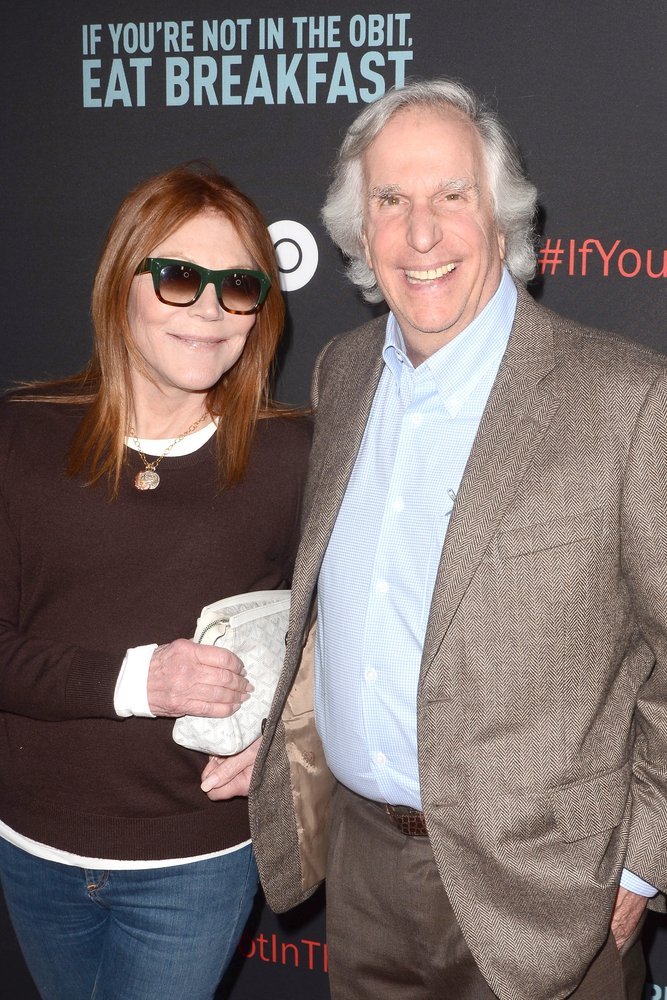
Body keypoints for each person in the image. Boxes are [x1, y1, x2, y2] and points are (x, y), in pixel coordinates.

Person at [205, 78, 667, 999]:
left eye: (451, 195)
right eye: (391, 201)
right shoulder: (342, 376)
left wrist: (639, 863)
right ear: (358, 233)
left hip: (545, 893)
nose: (422, 234)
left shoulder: (625, 400)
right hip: (363, 868)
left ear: (501, 219)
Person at [0, 162, 311, 1000]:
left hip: (198, 860)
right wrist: (145, 678)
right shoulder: (21, 438)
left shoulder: (294, 456)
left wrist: (288, 737)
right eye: (178, 277)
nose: (209, 311)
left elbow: (340, 634)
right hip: (31, 844)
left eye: (237, 286)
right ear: (120, 284)